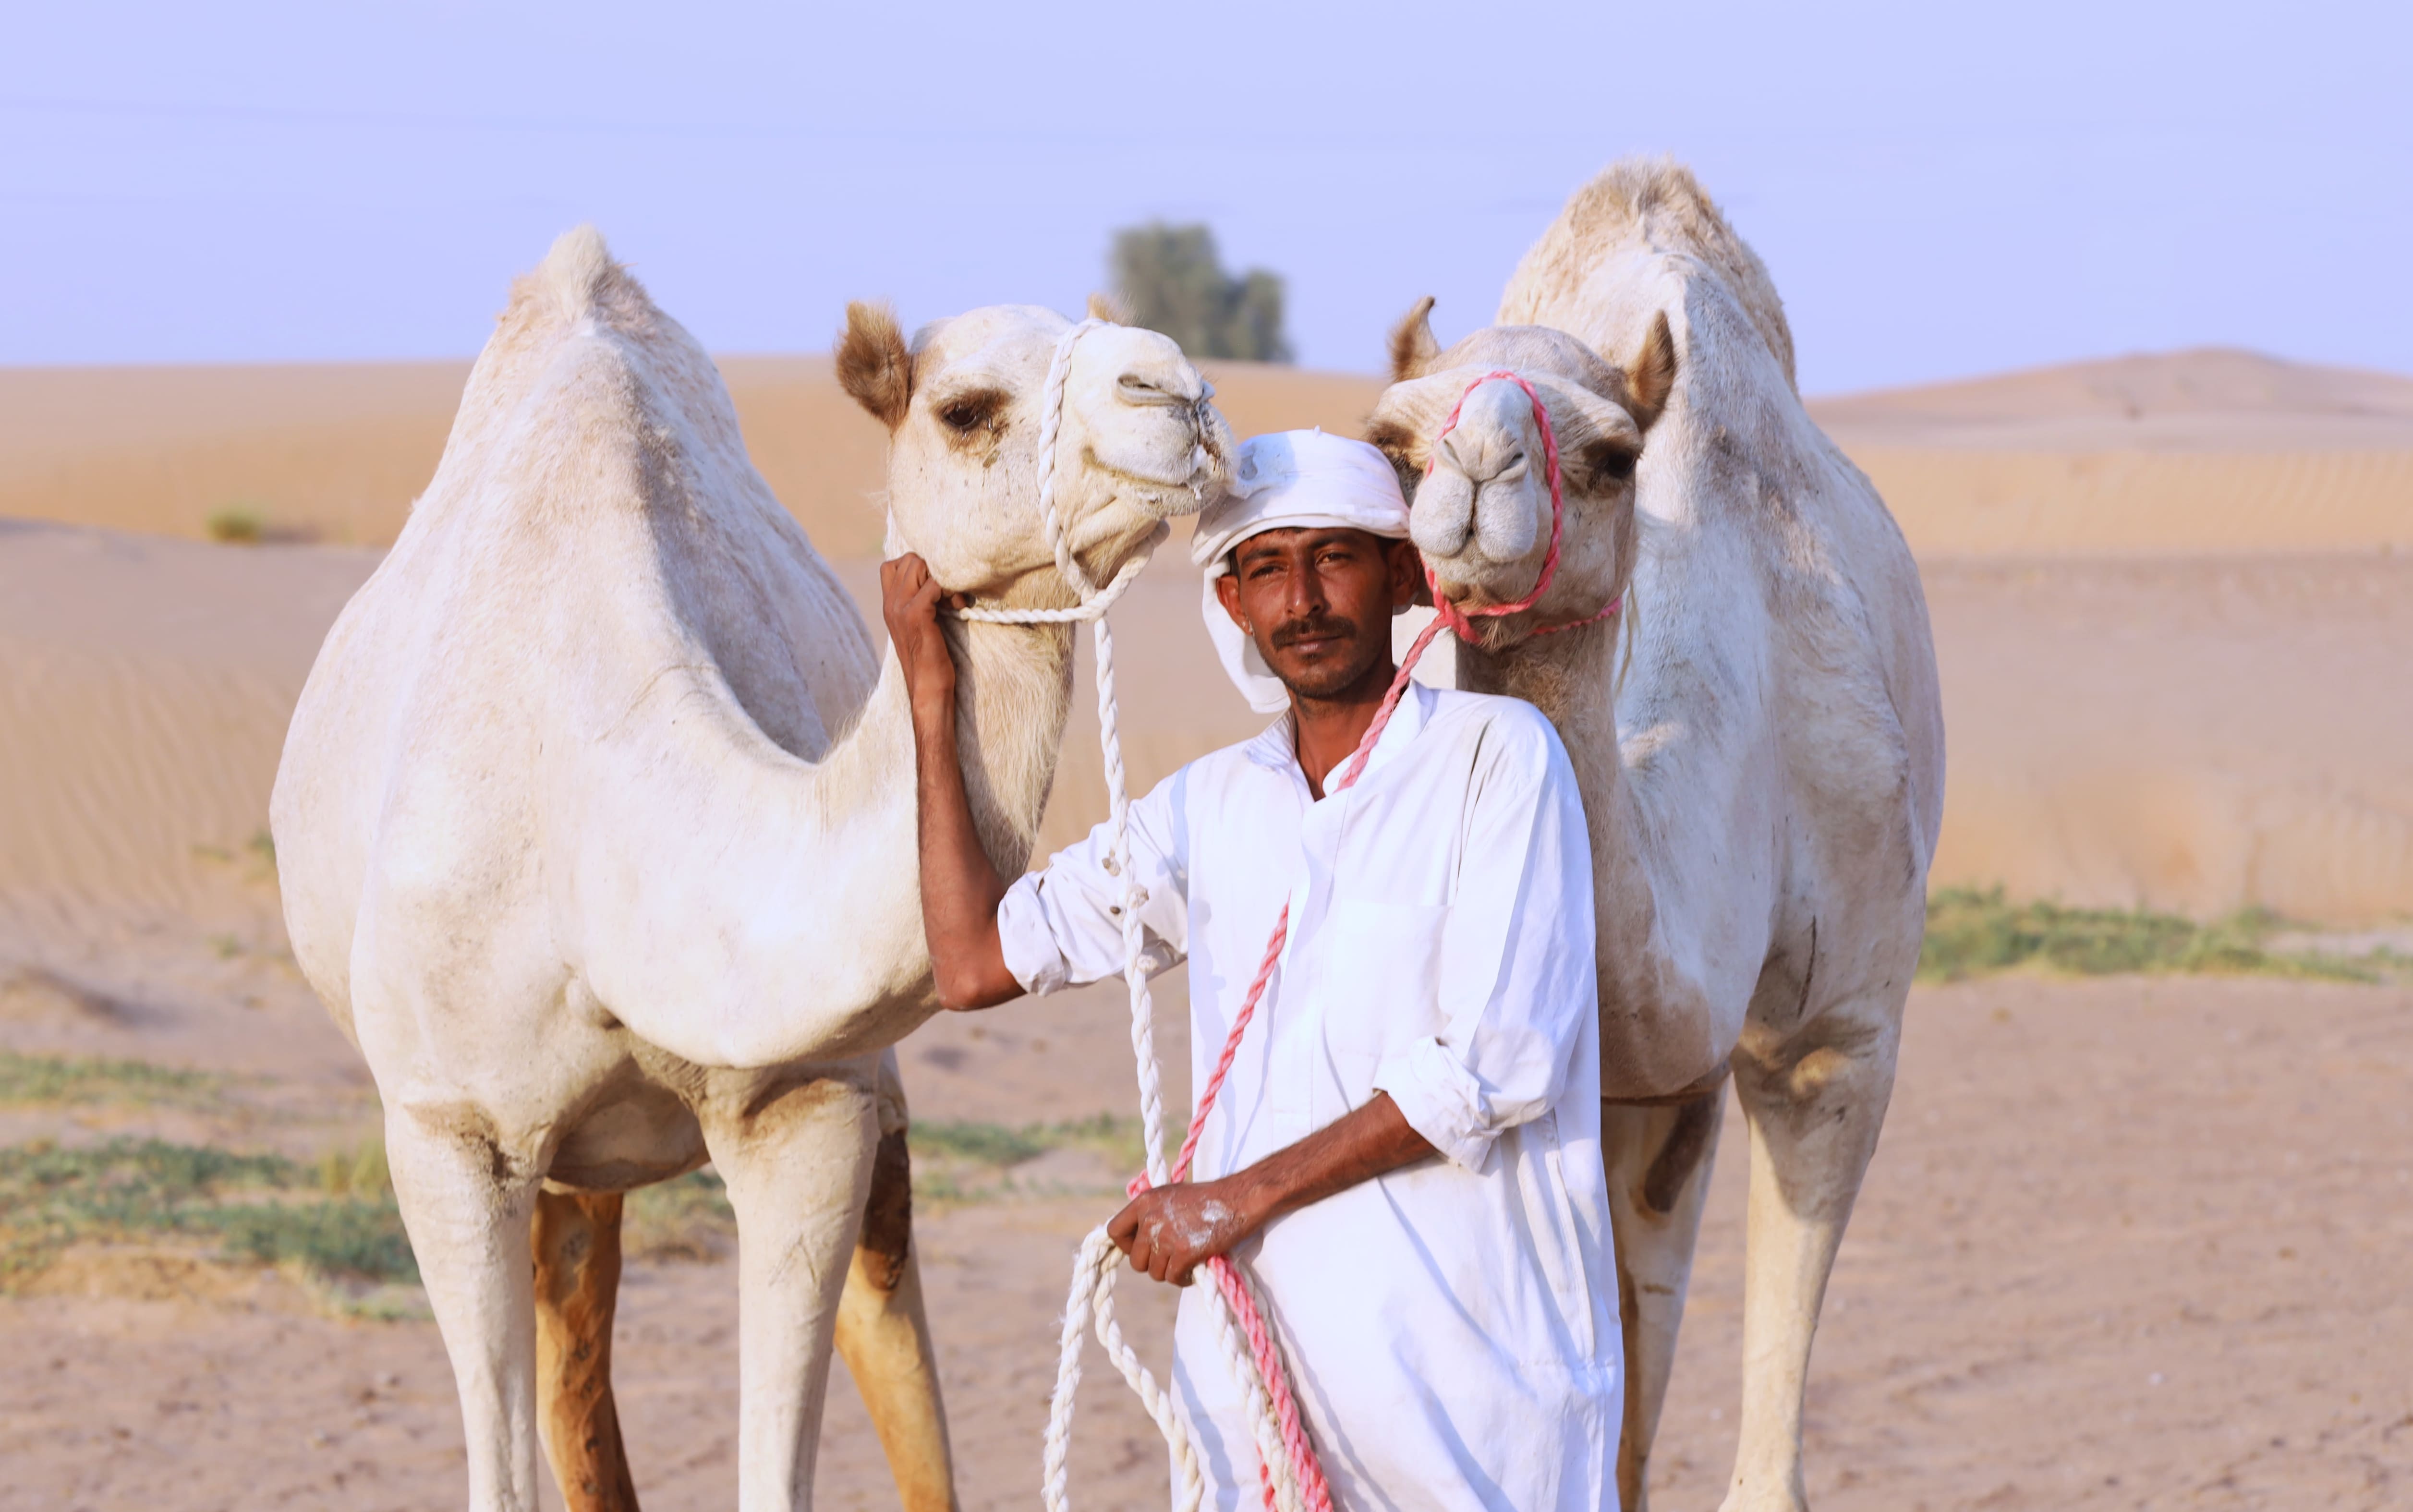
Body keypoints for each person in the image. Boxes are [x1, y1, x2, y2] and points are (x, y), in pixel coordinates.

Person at [882, 429, 1622, 1510]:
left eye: (1334, 558)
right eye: (1265, 568)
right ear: (1231, 602)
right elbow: (972, 962)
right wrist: (929, 693)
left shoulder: (1495, 757)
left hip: (1470, 1395)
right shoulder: (1209, 805)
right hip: (1251, 1397)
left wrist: (1230, 1202)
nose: (1301, 600)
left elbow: (1494, 1066)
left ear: (1402, 576)